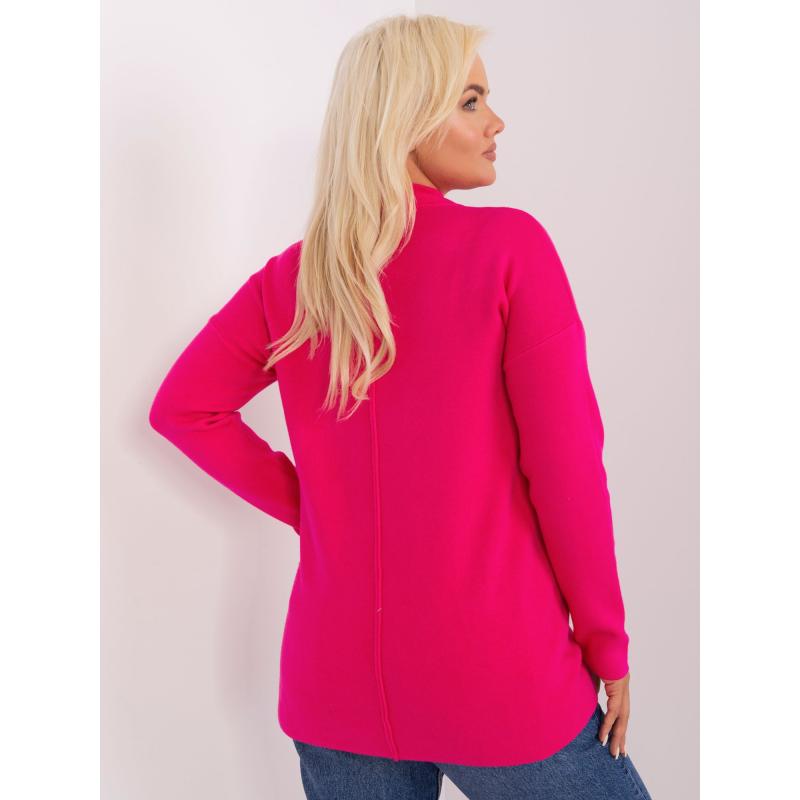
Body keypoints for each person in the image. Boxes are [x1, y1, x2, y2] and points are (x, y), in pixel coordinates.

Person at [149, 12, 654, 800]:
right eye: (471, 101)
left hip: (335, 690)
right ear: (405, 118)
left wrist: (316, 507)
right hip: (502, 681)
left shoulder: (296, 280)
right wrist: (606, 646)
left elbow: (184, 409)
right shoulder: (509, 250)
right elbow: (567, 474)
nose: (496, 123)